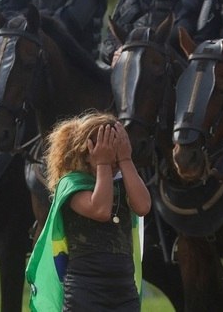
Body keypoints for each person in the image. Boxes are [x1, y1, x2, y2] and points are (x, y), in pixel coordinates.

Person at [26, 112, 151, 311]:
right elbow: (100, 210)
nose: (113, 160)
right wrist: (102, 163)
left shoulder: (122, 181)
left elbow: (143, 206)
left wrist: (126, 160)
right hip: (86, 290)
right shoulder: (71, 184)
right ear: (86, 153)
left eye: (115, 152)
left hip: (124, 288)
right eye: (107, 152)